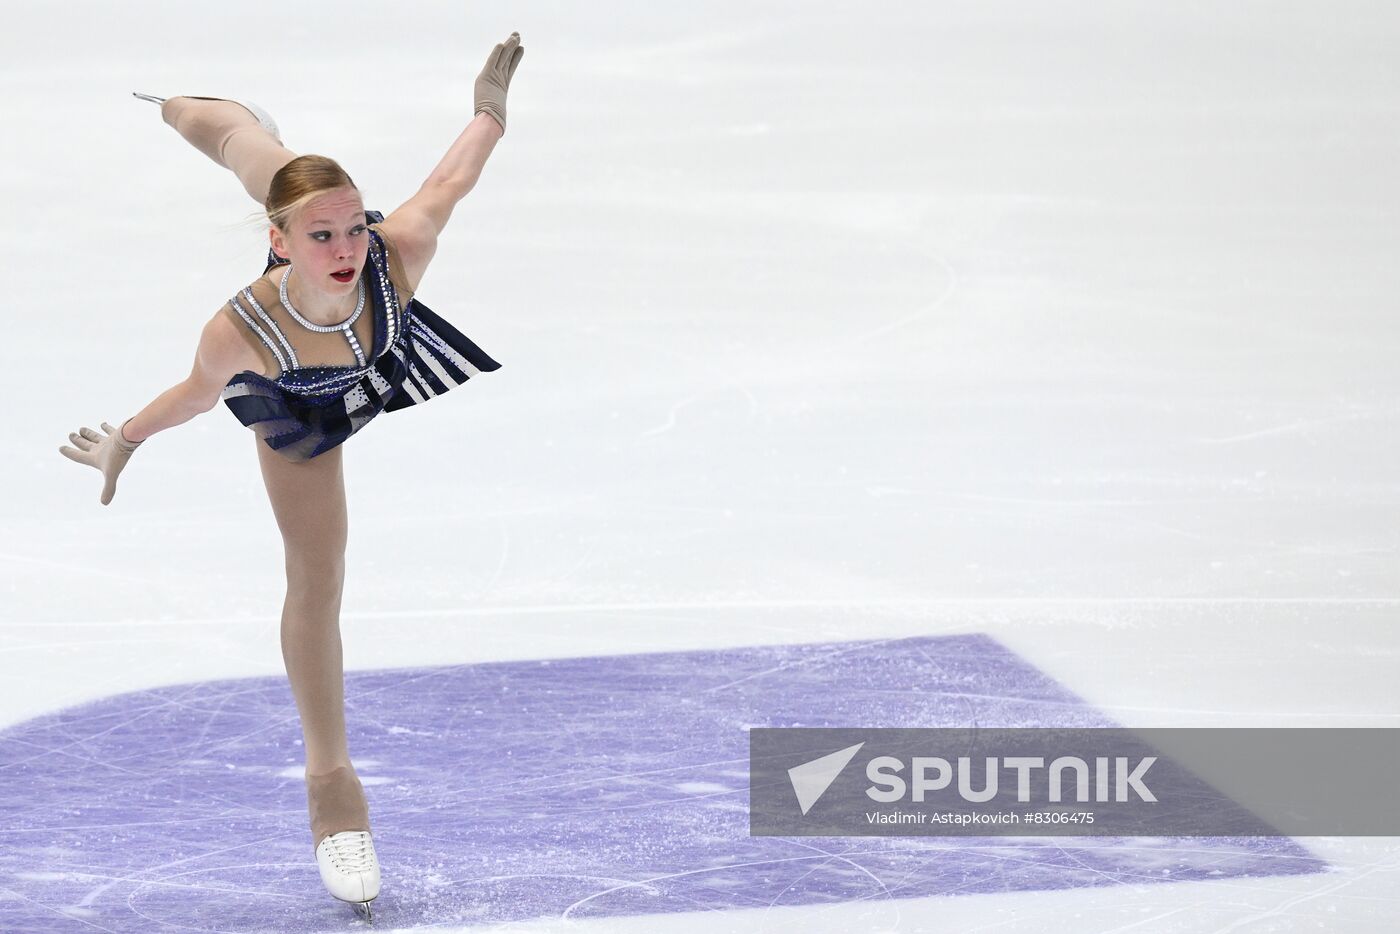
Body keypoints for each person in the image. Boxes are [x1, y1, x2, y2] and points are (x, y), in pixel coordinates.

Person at [58, 31, 525, 920]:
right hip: (302, 404)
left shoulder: (395, 254)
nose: (347, 246)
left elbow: (451, 182)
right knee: (317, 578)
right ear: (280, 243)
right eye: (321, 235)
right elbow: (198, 394)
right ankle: (331, 788)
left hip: (373, 354)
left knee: (282, 164)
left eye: (355, 227)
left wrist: (488, 109)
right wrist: (127, 437)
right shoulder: (244, 330)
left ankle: (229, 125)